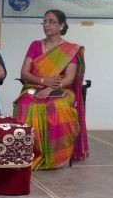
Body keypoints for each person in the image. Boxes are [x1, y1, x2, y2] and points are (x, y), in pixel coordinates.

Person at [13, 9, 88, 170]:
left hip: (61, 90)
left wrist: (48, 88)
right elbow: (24, 73)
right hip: (33, 87)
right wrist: (42, 81)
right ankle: (30, 153)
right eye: (45, 21)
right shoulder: (35, 45)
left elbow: (69, 78)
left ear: (62, 25)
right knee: (26, 103)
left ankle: (56, 155)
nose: (47, 25)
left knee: (57, 106)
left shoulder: (70, 50)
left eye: (52, 22)